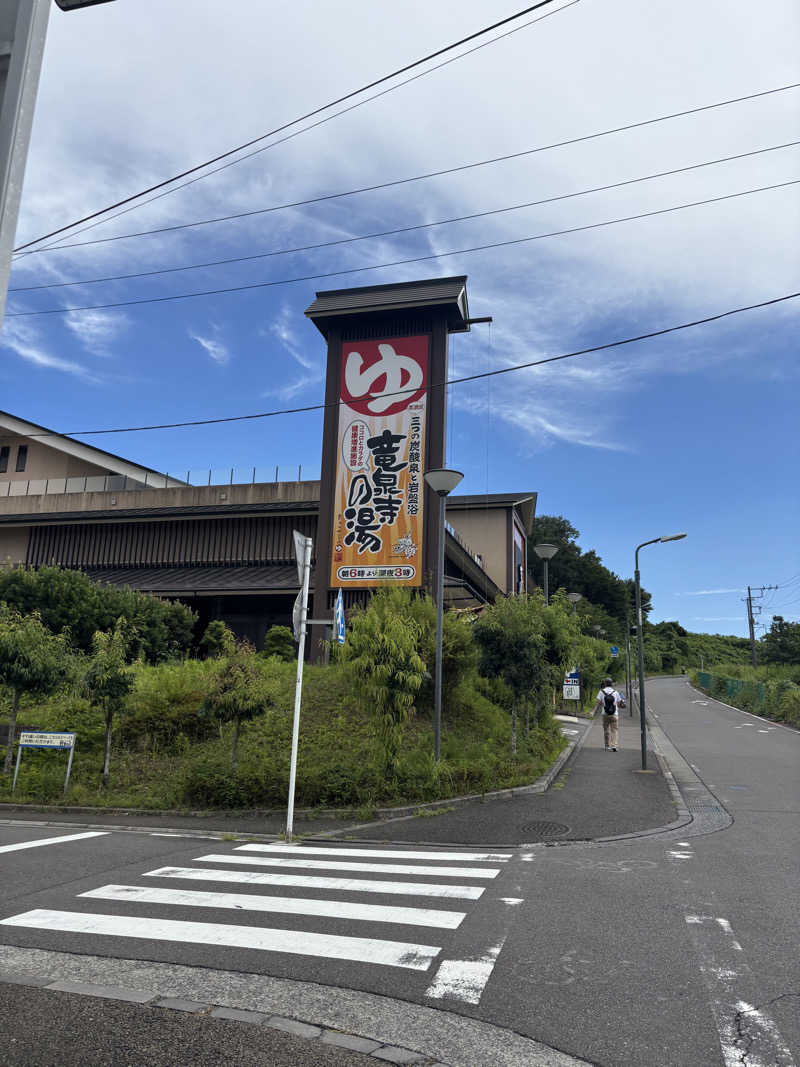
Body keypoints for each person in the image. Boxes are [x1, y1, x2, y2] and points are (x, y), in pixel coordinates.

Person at [594, 677, 620, 751]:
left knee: (606, 730)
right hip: (614, 713)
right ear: (611, 684)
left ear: (605, 683)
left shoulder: (601, 692)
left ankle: (607, 745)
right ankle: (614, 745)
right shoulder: (615, 692)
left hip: (605, 714)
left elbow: (598, 702)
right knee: (614, 730)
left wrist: (593, 711)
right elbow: (618, 703)